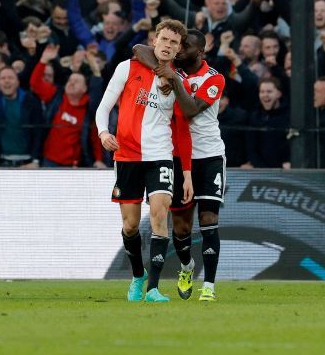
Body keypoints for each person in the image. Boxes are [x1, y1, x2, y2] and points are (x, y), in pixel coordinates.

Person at [95, 19, 193, 303]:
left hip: (160, 154)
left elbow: (183, 131)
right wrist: (103, 133)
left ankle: (153, 288)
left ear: (178, 49)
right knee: (130, 225)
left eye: (174, 43)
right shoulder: (127, 67)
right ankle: (137, 275)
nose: (167, 46)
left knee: (161, 216)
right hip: (126, 155)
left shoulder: (178, 81)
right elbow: (104, 107)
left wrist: (186, 172)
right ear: (154, 41)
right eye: (164, 40)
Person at [133, 29, 226, 302]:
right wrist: (165, 69)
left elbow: (190, 110)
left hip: (209, 156)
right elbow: (139, 49)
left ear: (200, 53)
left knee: (209, 220)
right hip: (176, 156)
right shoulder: (173, 68)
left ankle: (208, 285)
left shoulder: (214, 78)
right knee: (182, 228)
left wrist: (172, 79)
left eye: (184, 47)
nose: (178, 49)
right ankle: (187, 266)